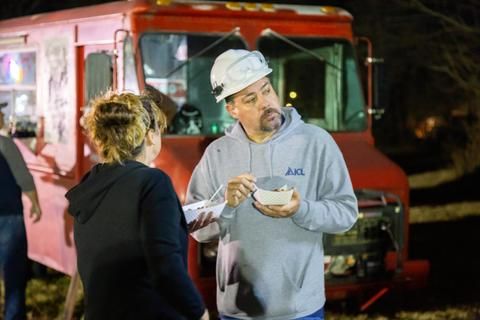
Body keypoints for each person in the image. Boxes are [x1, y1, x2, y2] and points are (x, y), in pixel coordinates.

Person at [186, 49, 358, 320]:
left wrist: (301, 209)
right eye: (251, 99)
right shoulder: (216, 154)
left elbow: (345, 214)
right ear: (232, 109)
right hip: (239, 311)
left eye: (267, 90)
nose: (265, 102)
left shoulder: (316, 142)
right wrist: (225, 207)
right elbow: (195, 227)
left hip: (301, 310)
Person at [65, 92, 209, 320]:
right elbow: (164, 263)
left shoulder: (92, 183)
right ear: (150, 135)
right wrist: (198, 311)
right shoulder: (153, 182)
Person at [0, 102, 42, 320]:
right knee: (14, 277)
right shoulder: (6, 145)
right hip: (9, 218)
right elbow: (23, 178)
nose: (2, 115)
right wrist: (35, 204)